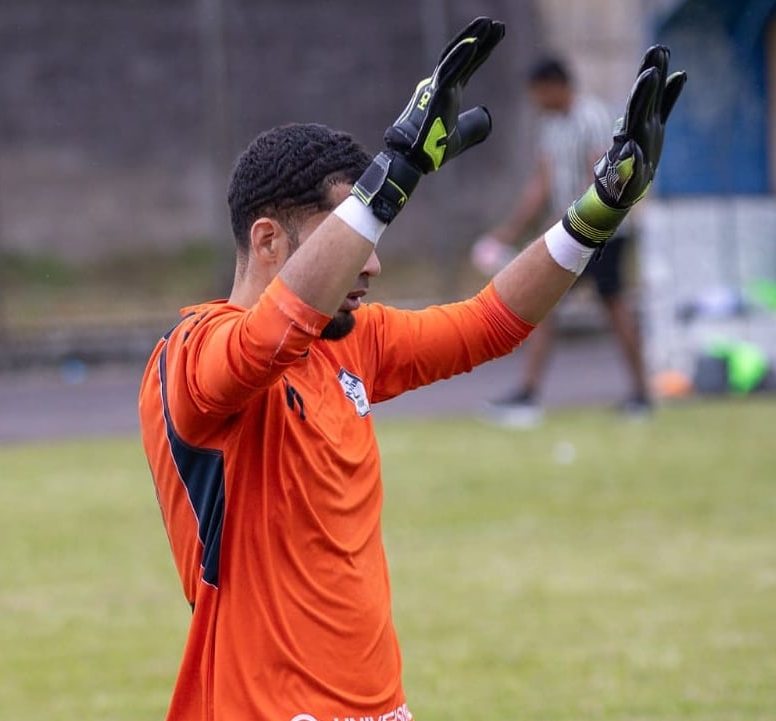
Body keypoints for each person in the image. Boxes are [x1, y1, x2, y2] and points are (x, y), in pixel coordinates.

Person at [138, 17, 685, 721]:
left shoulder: (351, 342)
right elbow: (265, 337)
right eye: (350, 233)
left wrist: (597, 212)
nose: (371, 261)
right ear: (268, 240)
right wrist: (397, 171)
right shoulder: (190, 355)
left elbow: (489, 323)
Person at [474, 56, 653, 426]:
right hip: (569, 231)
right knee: (544, 306)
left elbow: (599, 177)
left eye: (538, 93)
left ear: (555, 86)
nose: (535, 101)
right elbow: (541, 184)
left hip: (604, 231)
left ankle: (641, 394)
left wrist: (567, 219)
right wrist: (509, 231)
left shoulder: (593, 118)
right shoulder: (551, 126)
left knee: (614, 305)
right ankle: (528, 394)